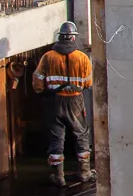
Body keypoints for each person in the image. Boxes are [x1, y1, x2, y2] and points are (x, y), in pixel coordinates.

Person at [30, 21, 94, 186]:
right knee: (81, 135)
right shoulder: (82, 58)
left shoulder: (48, 57)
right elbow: (88, 83)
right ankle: (85, 172)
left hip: (55, 101)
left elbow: (37, 81)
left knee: (56, 137)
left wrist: (43, 92)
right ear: (73, 38)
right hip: (75, 101)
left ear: (60, 37)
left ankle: (59, 177)